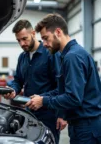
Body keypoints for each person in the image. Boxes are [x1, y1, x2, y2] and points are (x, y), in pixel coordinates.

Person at [26, 13, 101, 144]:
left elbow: (73, 97)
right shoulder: (69, 55)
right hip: (82, 125)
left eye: (45, 38)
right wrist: (40, 97)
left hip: (86, 128)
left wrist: (44, 101)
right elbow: (63, 90)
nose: (44, 44)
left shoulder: (72, 57)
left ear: (58, 32)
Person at [4, 19, 67, 144]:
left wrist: (62, 115)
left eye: (24, 38)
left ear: (33, 33)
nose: (22, 43)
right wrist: (13, 89)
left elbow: (61, 86)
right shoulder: (23, 57)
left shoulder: (50, 54)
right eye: (18, 40)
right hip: (29, 112)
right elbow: (18, 80)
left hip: (49, 113)